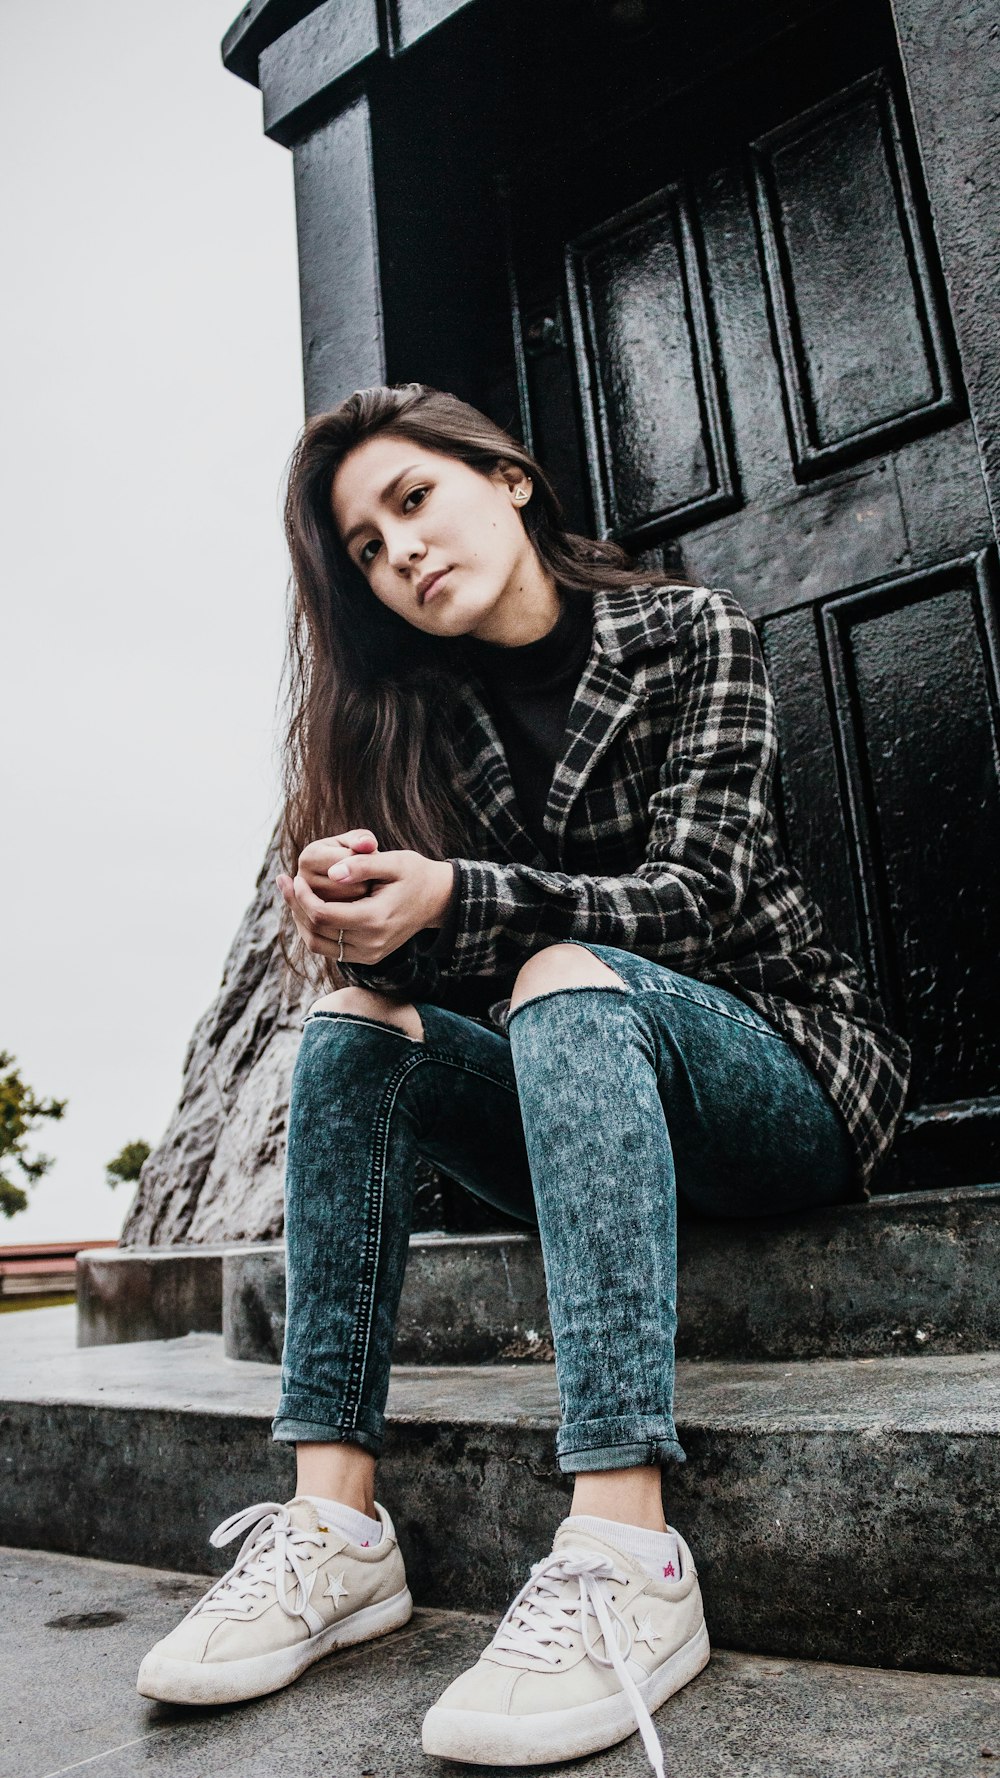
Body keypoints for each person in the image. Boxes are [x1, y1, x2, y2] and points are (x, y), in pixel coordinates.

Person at [137, 383, 911, 1771]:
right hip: (576, 1094)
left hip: (775, 1072)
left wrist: (456, 894)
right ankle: (335, 1524)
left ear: (506, 478)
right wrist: (364, 907)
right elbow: (438, 984)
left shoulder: (691, 634)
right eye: (367, 549)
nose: (401, 553)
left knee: (562, 972)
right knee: (354, 1030)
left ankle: (627, 1544)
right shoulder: (412, 720)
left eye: (414, 501)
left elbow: (695, 897)